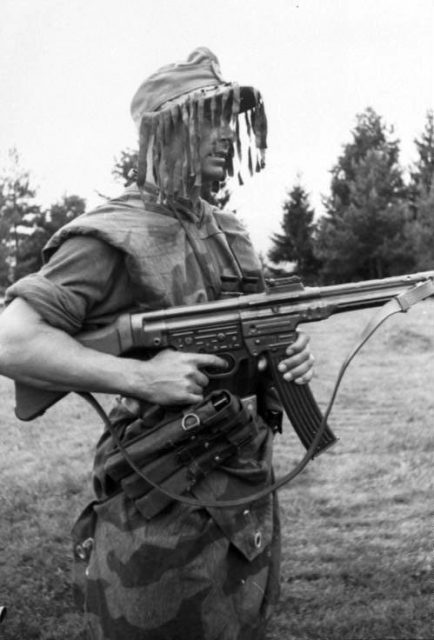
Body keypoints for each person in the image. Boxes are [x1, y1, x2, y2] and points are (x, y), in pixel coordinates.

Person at [0, 47, 314, 639]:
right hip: (161, 499)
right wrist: (141, 377)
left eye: (231, 120)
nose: (226, 135)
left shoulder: (231, 233)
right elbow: (12, 343)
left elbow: (248, 341)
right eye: (210, 119)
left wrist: (283, 357)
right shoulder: (111, 235)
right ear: (163, 133)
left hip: (244, 492)